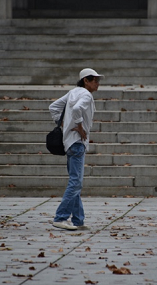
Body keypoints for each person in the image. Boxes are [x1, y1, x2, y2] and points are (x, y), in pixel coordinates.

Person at [48, 68, 104, 231]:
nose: (97, 84)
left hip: (69, 142)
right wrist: (78, 126)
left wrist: (63, 123)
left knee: (75, 181)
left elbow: (53, 107)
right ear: (86, 80)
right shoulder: (86, 94)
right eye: (95, 80)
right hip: (77, 142)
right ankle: (60, 217)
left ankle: (78, 220)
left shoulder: (73, 92)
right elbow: (78, 109)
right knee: (76, 182)